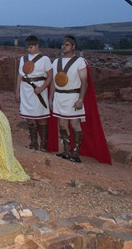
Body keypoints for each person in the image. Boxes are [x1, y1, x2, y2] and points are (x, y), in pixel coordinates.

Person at [49, 36, 111, 164]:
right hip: (60, 97)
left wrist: (81, 99)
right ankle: (66, 151)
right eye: (63, 44)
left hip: (73, 96)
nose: (64, 47)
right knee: (62, 124)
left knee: (74, 124)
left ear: (73, 47)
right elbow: (54, 82)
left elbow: (85, 82)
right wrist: (51, 97)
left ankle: (75, 153)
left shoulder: (80, 62)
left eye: (67, 44)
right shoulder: (56, 62)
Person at [15, 35, 53, 151]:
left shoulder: (45, 59)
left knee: (41, 117)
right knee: (29, 117)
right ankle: (34, 143)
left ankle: (43, 145)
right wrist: (17, 92)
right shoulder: (23, 59)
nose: (28, 50)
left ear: (37, 45)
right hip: (26, 90)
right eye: (27, 47)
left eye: (31, 47)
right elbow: (20, 76)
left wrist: (41, 88)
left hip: (39, 90)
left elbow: (50, 77)